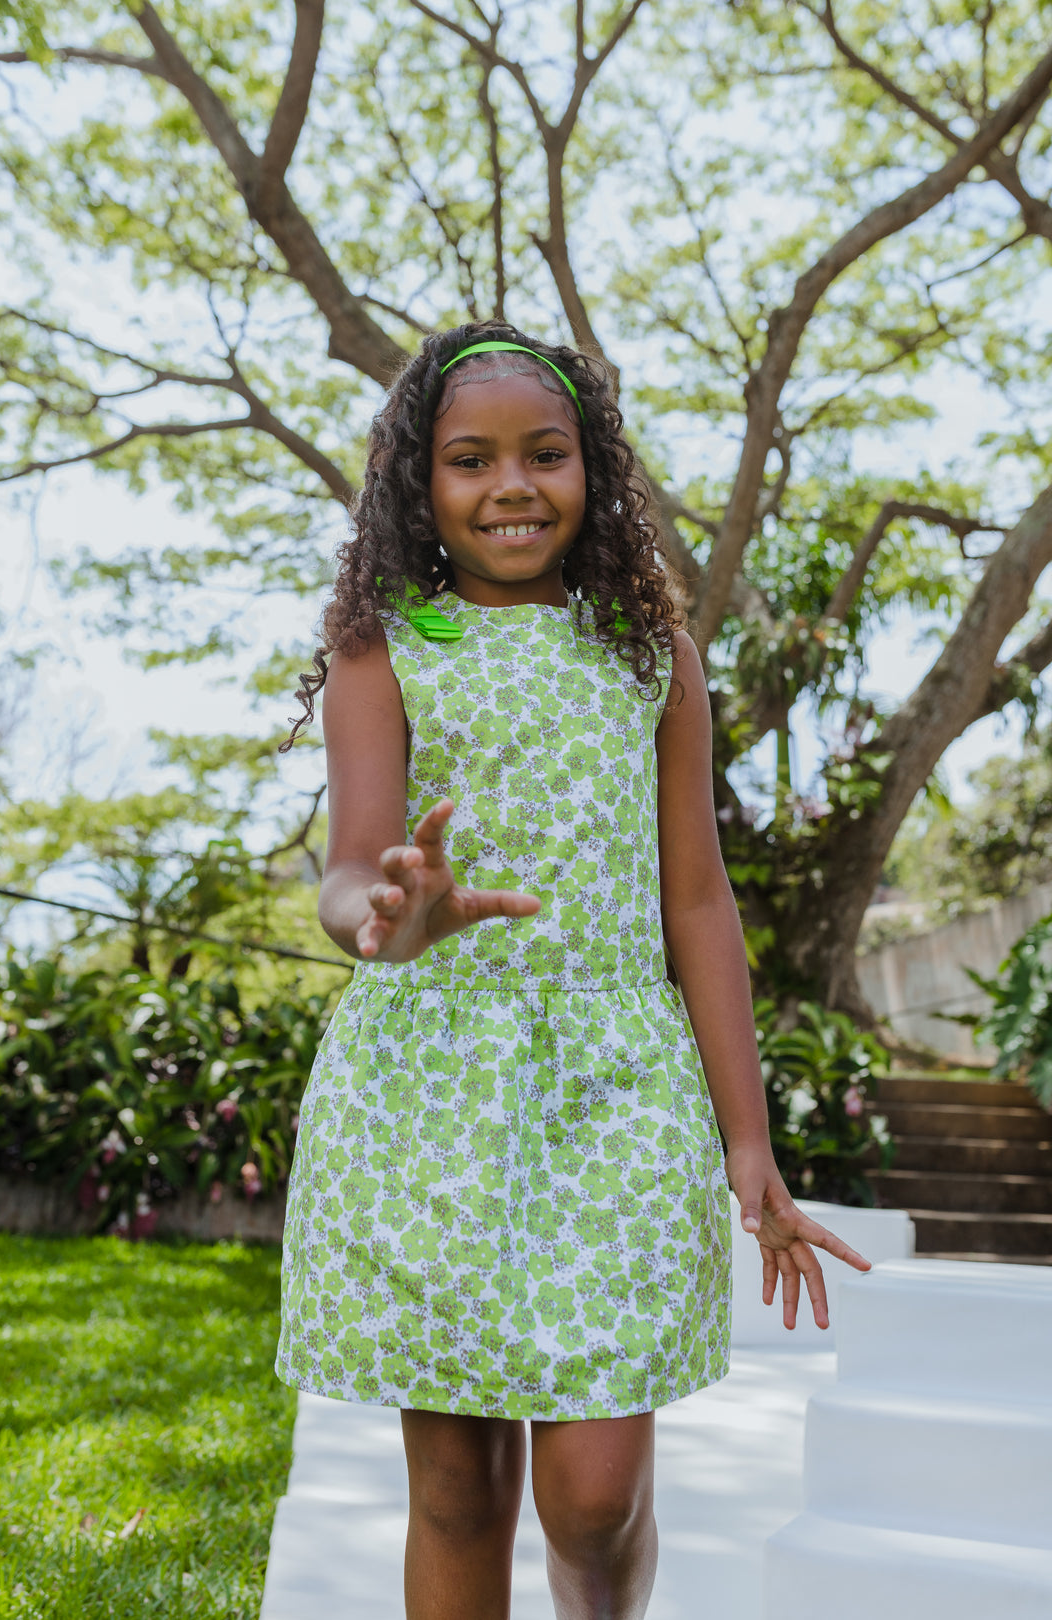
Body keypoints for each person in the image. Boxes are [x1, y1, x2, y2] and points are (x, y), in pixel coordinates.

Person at [275, 320, 871, 1620]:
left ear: (592, 469)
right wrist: (385, 915)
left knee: (593, 1501)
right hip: (424, 1095)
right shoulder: (386, 651)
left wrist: (746, 1138)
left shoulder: (651, 658)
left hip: (616, 1088)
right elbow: (345, 870)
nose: (510, 487)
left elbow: (700, 902)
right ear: (418, 485)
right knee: (458, 1493)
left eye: (545, 454)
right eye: (469, 460)